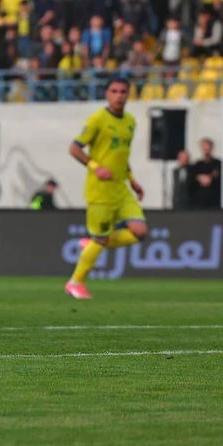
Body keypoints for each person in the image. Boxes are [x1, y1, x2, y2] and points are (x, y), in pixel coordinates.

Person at [63, 78, 148, 300]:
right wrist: (95, 166)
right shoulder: (98, 119)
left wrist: (132, 179)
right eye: (114, 91)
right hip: (100, 190)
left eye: (123, 91)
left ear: (128, 95)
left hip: (121, 189)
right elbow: (74, 148)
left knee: (140, 231)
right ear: (107, 94)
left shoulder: (130, 121)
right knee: (100, 239)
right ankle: (75, 283)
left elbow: (121, 156)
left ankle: (92, 243)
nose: (119, 95)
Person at [190, 137, 222, 208]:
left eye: (208, 146)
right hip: (200, 200)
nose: (206, 149)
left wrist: (210, 177)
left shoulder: (218, 163)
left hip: (215, 199)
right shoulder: (197, 164)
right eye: (204, 146)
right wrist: (199, 178)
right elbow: (192, 178)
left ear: (212, 148)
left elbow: (219, 177)